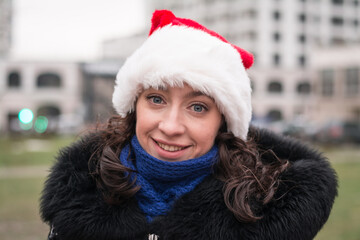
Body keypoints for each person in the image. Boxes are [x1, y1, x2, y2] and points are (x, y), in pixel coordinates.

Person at [40, 10, 337, 240]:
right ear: (134, 106)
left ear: (223, 121)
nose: (171, 127)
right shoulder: (83, 191)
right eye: (156, 99)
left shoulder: (264, 208)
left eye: (198, 107)